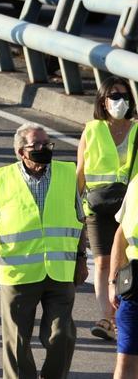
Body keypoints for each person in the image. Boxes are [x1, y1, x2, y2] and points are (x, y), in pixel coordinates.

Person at [0, 122, 86, 379]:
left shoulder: (66, 174)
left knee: (63, 336)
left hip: (60, 271)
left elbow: (79, 220)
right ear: (20, 152)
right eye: (36, 145)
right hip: (19, 273)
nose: (43, 148)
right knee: (17, 342)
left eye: (47, 144)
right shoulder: (4, 179)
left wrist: (81, 259)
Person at [79, 77, 137, 341]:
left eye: (124, 95)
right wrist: (74, 207)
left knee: (125, 260)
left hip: (130, 205)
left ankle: (121, 312)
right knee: (102, 262)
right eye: (113, 96)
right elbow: (80, 171)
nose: (120, 101)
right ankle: (107, 317)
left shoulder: (137, 130)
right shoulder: (91, 130)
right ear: (102, 100)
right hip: (97, 205)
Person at [111, 182, 138, 376]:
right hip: (134, 288)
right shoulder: (137, 184)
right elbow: (121, 234)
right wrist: (113, 281)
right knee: (125, 359)